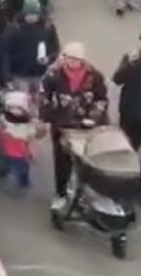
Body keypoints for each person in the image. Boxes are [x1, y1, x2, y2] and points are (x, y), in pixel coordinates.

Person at [41, 41, 109, 199]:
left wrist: (94, 117)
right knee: (62, 162)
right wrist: (48, 117)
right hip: (61, 126)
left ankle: (83, 192)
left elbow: (101, 99)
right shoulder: (53, 74)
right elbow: (44, 97)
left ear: (82, 60)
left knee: (86, 160)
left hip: (85, 126)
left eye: (75, 59)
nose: (71, 62)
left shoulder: (95, 76)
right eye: (68, 58)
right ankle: (61, 192)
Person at [112, 24, 141, 206]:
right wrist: (130, 63)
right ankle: (124, 190)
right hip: (130, 117)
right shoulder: (131, 58)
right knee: (126, 156)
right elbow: (116, 79)